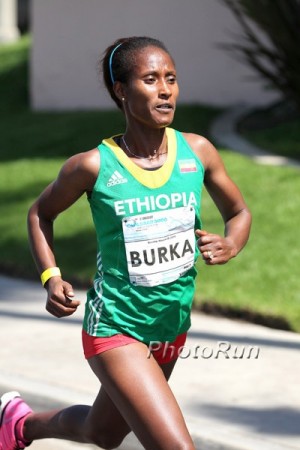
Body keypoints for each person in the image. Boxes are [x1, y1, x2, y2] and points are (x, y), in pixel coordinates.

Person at [0, 36, 251, 450]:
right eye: (150, 79)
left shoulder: (198, 151)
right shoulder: (93, 165)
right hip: (117, 326)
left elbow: (239, 213)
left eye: (171, 78)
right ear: (121, 90)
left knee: (102, 433)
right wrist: (50, 276)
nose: (165, 89)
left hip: (169, 327)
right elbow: (40, 213)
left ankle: (18, 424)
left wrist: (232, 243)